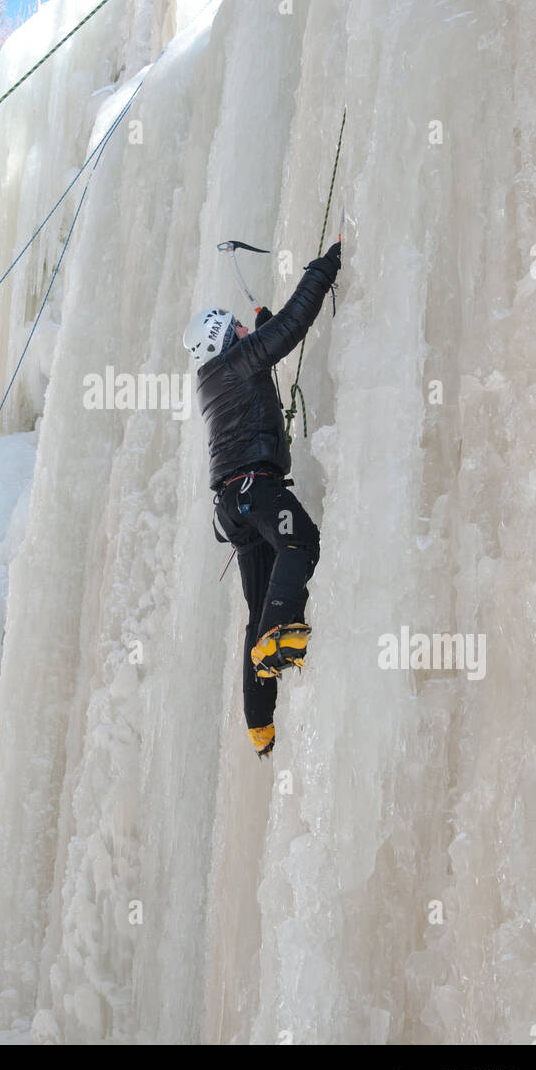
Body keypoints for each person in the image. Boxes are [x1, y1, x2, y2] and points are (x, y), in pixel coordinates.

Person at [182, 241, 341, 758]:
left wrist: (260, 336)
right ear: (227, 340)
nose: (247, 332)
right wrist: (324, 269)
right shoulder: (236, 364)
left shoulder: (214, 379)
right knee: (302, 544)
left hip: (235, 505)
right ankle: (280, 631)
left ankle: (260, 724)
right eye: (240, 330)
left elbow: (261, 371)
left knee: (255, 605)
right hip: (254, 487)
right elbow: (293, 325)